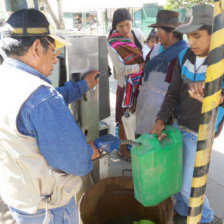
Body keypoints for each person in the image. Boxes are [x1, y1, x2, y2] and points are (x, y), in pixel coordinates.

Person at [0, 9, 100, 224]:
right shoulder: (41, 97)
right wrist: (95, 149)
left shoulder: (7, 78)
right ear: (37, 47)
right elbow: (77, 163)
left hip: (19, 197)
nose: (56, 59)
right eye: (53, 50)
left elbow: (37, 107)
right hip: (49, 209)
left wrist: (83, 85)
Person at [150, 4, 224, 224]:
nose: (191, 42)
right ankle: (183, 212)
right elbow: (172, 93)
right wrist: (161, 119)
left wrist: (217, 97)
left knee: (188, 185)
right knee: (177, 178)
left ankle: (207, 218)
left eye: (197, 36)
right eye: (189, 36)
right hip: (179, 126)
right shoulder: (183, 56)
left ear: (215, 34)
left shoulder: (220, 60)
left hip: (203, 130)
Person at [135, 10, 188, 136]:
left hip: (163, 111)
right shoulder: (156, 49)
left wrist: (167, 116)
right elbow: (144, 74)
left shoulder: (183, 53)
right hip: (146, 103)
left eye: (159, 31)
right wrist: (136, 95)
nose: (157, 34)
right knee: (142, 138)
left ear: (172, 33)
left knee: (156, 145)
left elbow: (178, 89)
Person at [108, 8, 145, 161]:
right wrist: (140, 67)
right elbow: (121, 69)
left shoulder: (137, 34)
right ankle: (123, 149)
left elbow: (142, 54)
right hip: (125, 87)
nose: (125, 29)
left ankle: (135, 145)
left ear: (132, 22)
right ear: (115, 26)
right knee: (124, 119)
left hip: (140, 84)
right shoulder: (112, 42)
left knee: (139, 116)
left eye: (127, 24)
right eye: (120, 26)